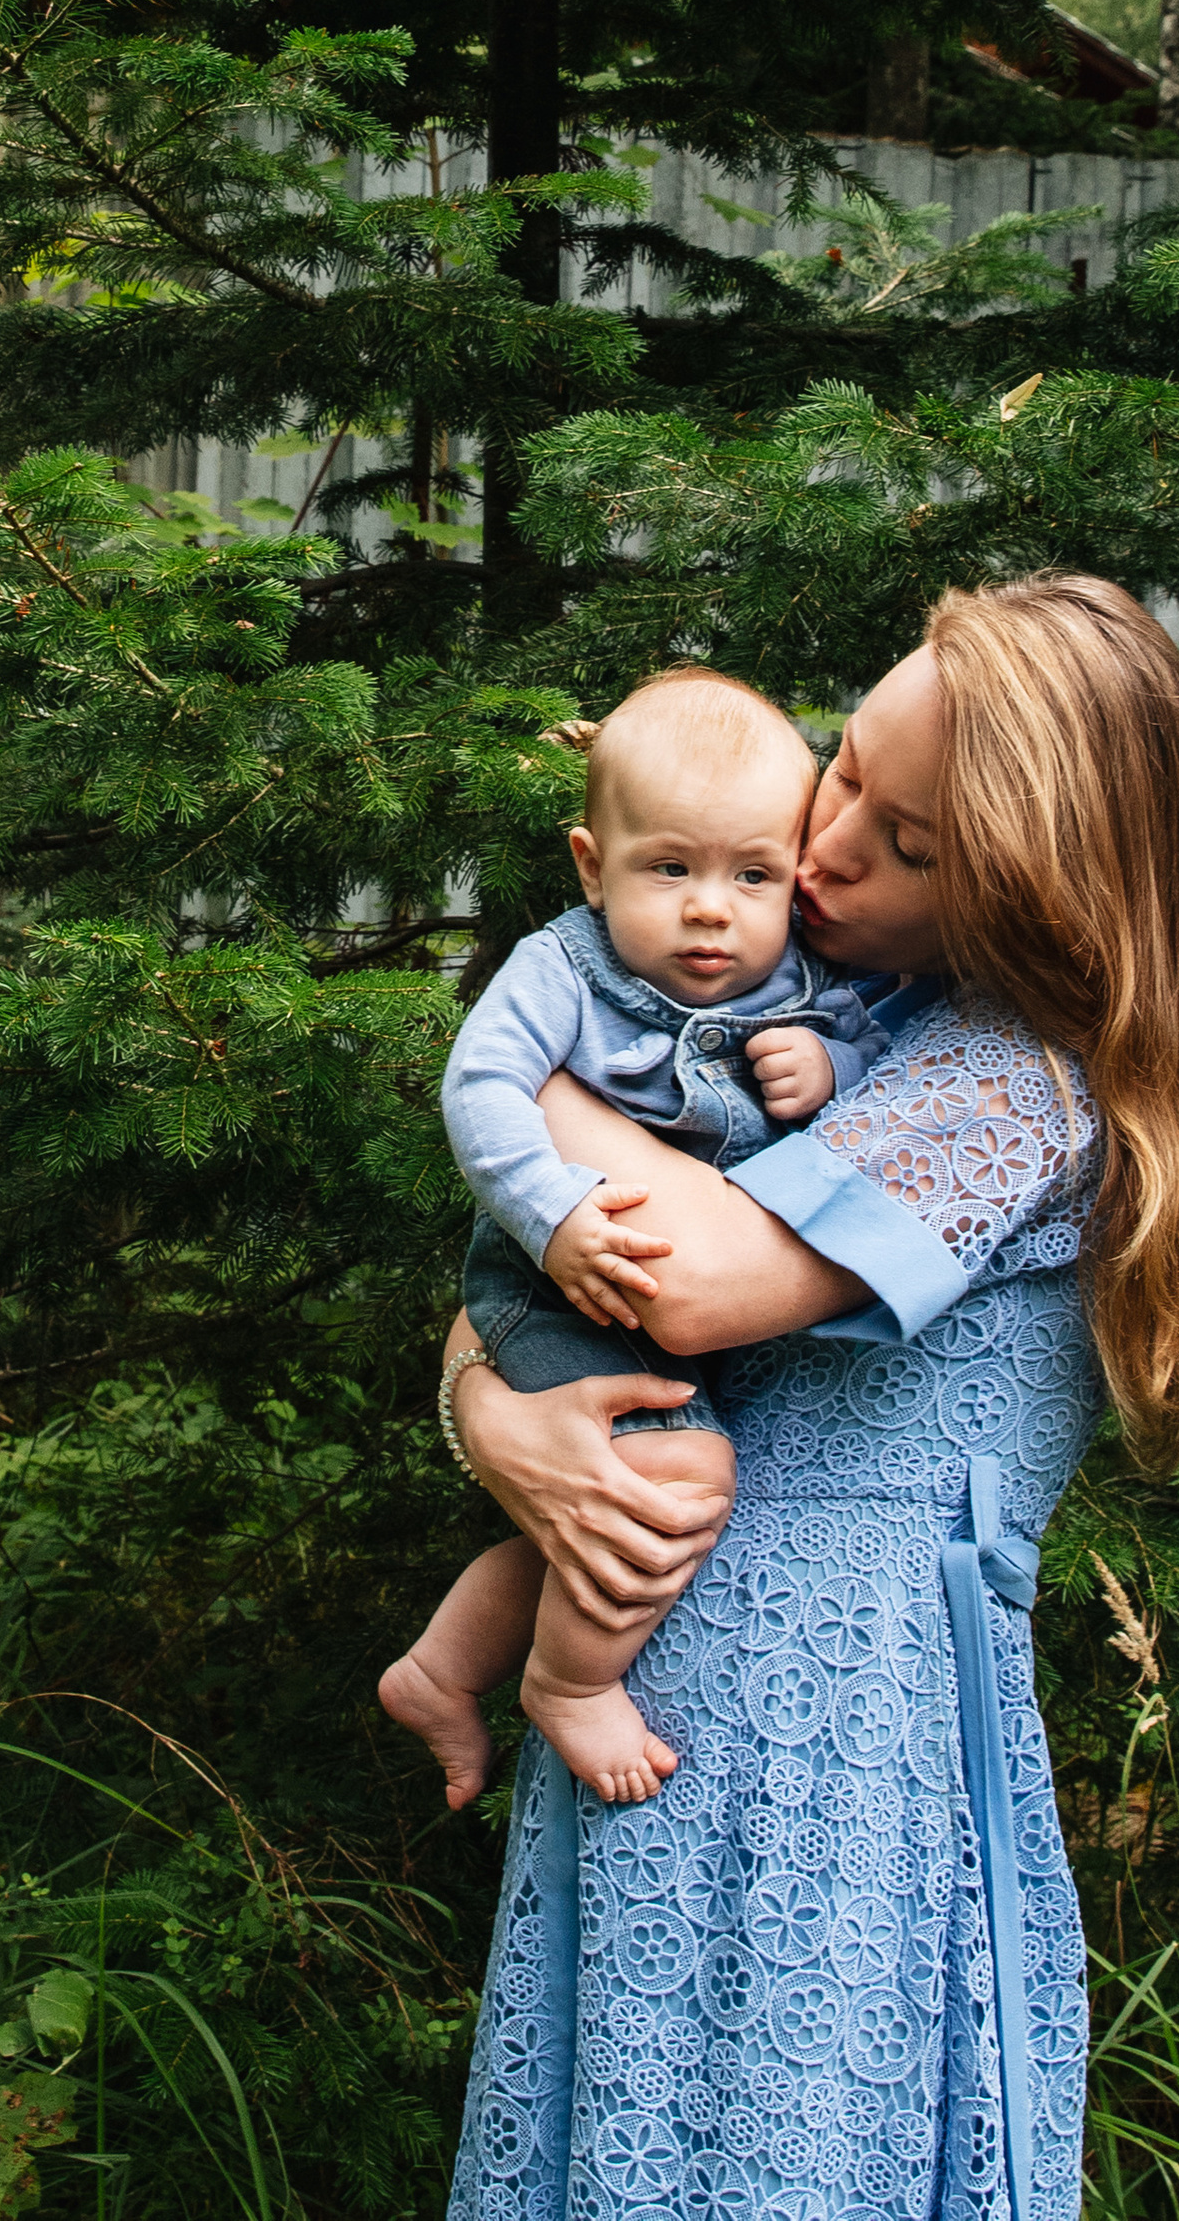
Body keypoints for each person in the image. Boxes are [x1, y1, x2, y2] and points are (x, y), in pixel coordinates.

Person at [435, 572, 1179, 2221]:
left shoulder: (1013, 1086)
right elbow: (539, 1295)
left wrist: (520, 1082)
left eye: (907, 848)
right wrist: (496, 1424)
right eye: (847, 775)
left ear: (1038, 905)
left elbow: (680, 1273)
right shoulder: (789, 1009)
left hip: (850, 1760)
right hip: (647, 1703)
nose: (825, 850)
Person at [381, 669, 887, 1808]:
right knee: (679, 1471)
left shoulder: (807, 985)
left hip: (664, 1318)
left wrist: (829, 1070)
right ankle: (566, 1687)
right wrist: (554, 1217)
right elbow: (483, 1090)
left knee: (612, 1509)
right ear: (588, 864)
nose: (713, 908)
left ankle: (443, 1666)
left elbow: (861, 1065)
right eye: (671, 868)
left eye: (752, 874)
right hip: (554, 1284)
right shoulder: (562, 969)